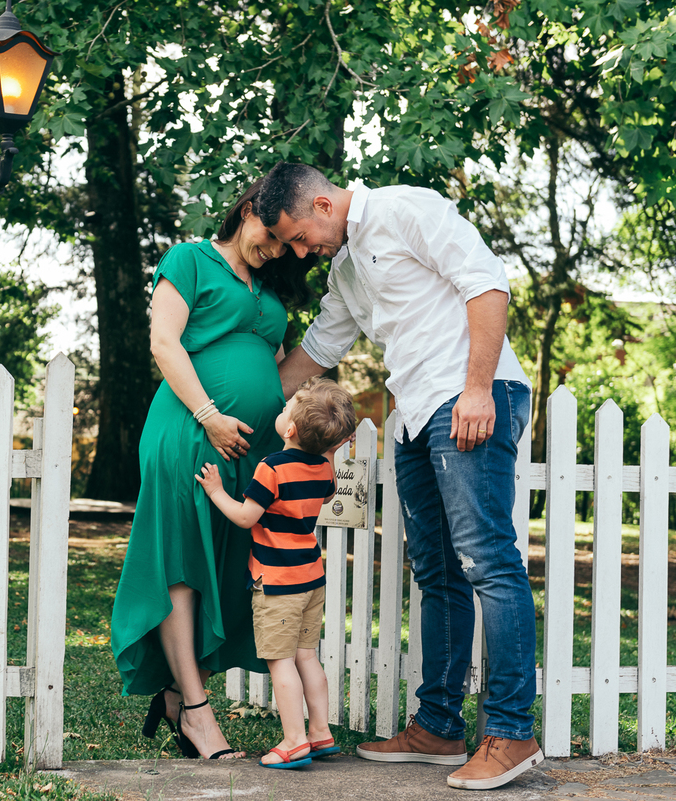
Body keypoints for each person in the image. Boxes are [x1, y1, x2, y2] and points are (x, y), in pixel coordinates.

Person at [256, 162, 542, 790]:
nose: (300, 251)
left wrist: (477, 389)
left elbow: (486, 283)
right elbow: (319, 350)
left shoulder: (403, 208)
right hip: (414, 414)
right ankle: (438, 726)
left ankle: (513, 732)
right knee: (438, 572)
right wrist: (240, 403)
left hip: (466, 395)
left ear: (322, 205)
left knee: (489, 561)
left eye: (299, 236)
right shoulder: (345, 269)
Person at [110, 178, 318, 760]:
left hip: (249, 447)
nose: (275, 251)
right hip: (190, 431)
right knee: (182, 560)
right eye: (270, 237)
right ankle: (199, 716)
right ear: (248, 210)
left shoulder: (268, 289)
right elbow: (164, 343)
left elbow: (275, 366)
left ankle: (178, 695)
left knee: (224, 564)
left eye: (285, 245)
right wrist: (211, 416)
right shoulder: (190, 260)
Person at [195, 377, 356, 770]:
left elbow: (246, 517)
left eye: (286, 408)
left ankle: (295, 741)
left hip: (278, 583)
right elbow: (330, 492)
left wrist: (216, 492)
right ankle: (320, 732)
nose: (281, 409)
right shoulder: (324, 469)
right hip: (311, 579)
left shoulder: (271, 468)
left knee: (281, 662)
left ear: (290, 429)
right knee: (307, 657)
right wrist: (330, 451)